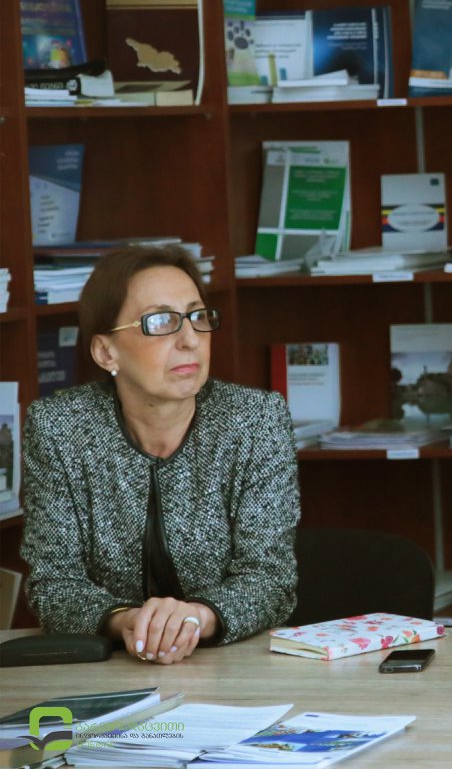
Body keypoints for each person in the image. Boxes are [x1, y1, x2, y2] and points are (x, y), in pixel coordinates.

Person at [21, 245, 300, 664]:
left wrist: (196, 618)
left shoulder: (255, 419)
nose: (190, 340)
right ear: (106, 352)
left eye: (197, 316)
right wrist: (127, 620)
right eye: (161, 322)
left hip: (234, 665)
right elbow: (53, 584)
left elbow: (270, 579)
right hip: (112, 667)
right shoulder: (59, 427)